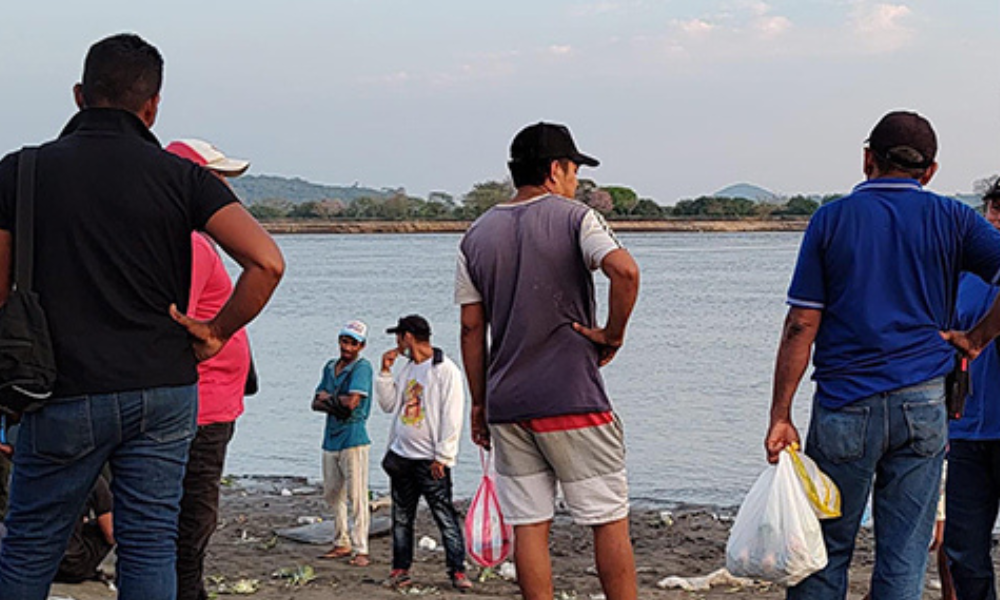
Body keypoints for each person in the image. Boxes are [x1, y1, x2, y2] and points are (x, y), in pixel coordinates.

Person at [0, 33, 284, 600]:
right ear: (152, 106)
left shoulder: (21, 172)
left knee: (30, 544)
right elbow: (267, 262)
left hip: (61, 390)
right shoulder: (183, 178)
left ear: (80, 95)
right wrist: (214, 331)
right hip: (164, 390)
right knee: (151, 544)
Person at [765, 110, 1000, 600]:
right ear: (930, 171)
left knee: (822, 551)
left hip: (845, 404)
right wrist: (976, 339)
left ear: (867, 158)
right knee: (904, 557)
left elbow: (801, 324)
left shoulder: (831, 220)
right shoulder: (953, 218)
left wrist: (780, 414)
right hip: (923, 405)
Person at [456, 122, 640, 600]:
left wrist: (479, 403)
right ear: (556, 169)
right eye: (575, 169)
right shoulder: (575, 218)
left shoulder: (475, 236)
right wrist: (612, 335)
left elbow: (473, 329)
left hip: (508, 403)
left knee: (529, 526)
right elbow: (625, 271)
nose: (576, 180)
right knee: (607, 519)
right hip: (571, 396)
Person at [165, 138, 255, 600]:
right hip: (202, 406)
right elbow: (177, 319)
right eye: (216, 178)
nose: (224, 190)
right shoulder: (194, 244)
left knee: (187, 520)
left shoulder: (190, 239)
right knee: (193, 520)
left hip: (210, 401)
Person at [376, 315, 472, 591]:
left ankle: (457, 569)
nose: (396, 343)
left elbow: (452, 416)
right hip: (402, 456)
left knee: (444, 515)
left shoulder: (445, 370)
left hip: (430, 461)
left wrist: (444, 455)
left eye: (399, 336)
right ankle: (400, 568)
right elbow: (389, 404)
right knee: (402, 517)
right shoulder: (407, 369)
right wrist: (384, 372)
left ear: (408, 337)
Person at [943, 179, 1000, 600]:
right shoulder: (963, 271)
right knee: (963, 550)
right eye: (992, 212)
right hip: (964, 430)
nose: (995, 221)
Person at [311, 319, 374, 567]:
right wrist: (335, 401)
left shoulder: (362, 368)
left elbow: (352, 404)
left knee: (357, 495)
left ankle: (361, 548)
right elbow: (315, 402)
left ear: (361, 346)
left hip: (353, 437)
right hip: (331, 438)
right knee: (332, 492)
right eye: (344, 341)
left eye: (352, 343)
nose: (347, 347)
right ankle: (341, 541)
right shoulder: (330, 367)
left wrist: (330, 399)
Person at [54, 475, 115, 584]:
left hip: (34, 561)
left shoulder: (33, 472)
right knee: (115, 524)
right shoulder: (93, 479)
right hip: (71, 566)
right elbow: (111, 535)